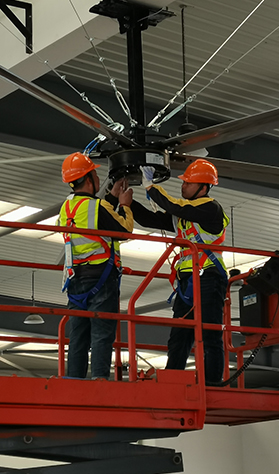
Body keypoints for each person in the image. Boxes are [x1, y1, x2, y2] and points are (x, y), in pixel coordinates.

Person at [130, 159, 229, 384]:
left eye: (188, 183)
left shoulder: (210, 208)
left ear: (204, 187)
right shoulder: (186, 215)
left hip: (209, 277)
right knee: (179, 337)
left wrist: (151, 187)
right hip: (188, 282)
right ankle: (172, 381)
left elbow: (175, 206)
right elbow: (150, 219)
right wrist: (128, 202)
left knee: (210, 334)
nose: (183, 186)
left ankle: (212, 384)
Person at [58, 152, 134, 379]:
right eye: (95, 174)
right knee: (102, 333)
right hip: (101, 278)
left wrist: (112, 198)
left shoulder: (67, 208)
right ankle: (99, 379)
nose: (99, 178)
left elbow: (96, 222)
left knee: (78, 335)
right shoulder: (96, 207)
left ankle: (74, 380)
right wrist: (125, 205)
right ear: (89, 178)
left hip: (76, 280)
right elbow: (124, 231)